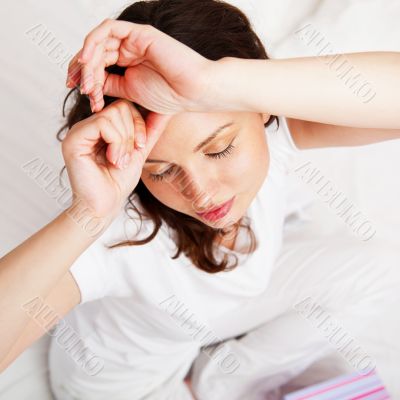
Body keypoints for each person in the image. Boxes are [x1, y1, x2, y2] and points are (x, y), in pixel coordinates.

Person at [1, 1, 399, 399]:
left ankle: (223, 383)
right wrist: (86, 213)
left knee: (381, 268)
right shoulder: (122, 237)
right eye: (160, 171)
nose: (203, 193)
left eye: (220, 149)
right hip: (136, 387)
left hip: (210, 318)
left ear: (259, 110)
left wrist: (212, 82)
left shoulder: (270, 132)